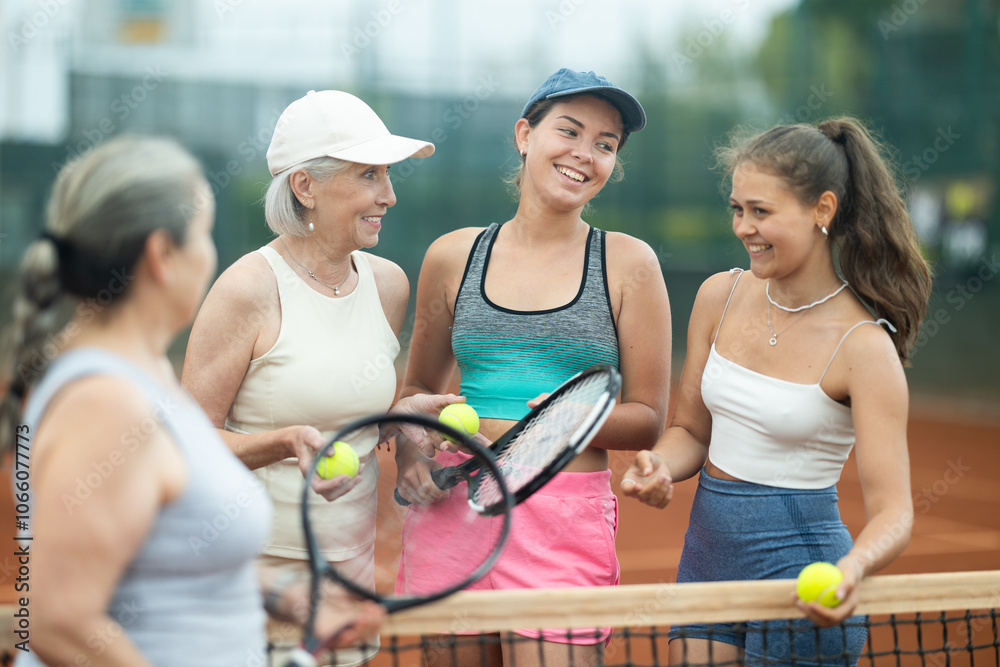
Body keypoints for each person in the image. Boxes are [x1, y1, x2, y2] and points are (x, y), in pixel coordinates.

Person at [0, 136, 382, 667]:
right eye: (203, 234)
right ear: (162, 255)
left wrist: (287, 595)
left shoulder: (146, 375)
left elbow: (169, 556)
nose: (212, 254)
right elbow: (58, 621)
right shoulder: (105, 405)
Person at [621, 117, 932, 667]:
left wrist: (851, 569)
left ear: (823, 211)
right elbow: (691, 431)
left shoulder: (865, 348)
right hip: (706, 564)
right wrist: (661, 466)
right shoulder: (719, 294)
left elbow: (894, 513)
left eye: (761, 211)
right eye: (737, 209)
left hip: (804, 581)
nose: (744, 226)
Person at [393, 69, 673, 667]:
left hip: (562, 516)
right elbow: (417, 389)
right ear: (525, 135)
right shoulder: (450, 256)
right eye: (568, 132)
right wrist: (416, 457)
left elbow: (648, 418)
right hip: (452, 505)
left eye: (605, 144)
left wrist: (560, 421)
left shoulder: (630, 264)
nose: (585, 154)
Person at [180, 90, 459, 667]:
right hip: (253, 574)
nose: (390, 194)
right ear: (305, 186)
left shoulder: (389, 286)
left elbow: (354, 406)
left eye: (387, 174)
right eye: (368, 175)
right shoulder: (245, 289)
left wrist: (404, 428)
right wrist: (283, 442)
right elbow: (186, 447)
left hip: (348, 573)